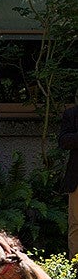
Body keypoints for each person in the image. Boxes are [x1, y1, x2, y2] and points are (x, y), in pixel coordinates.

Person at [58, 104, 78, 259]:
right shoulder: (72, 114)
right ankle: (75, 268)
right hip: (77, 179)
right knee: (76, 225)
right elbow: (63, 141)